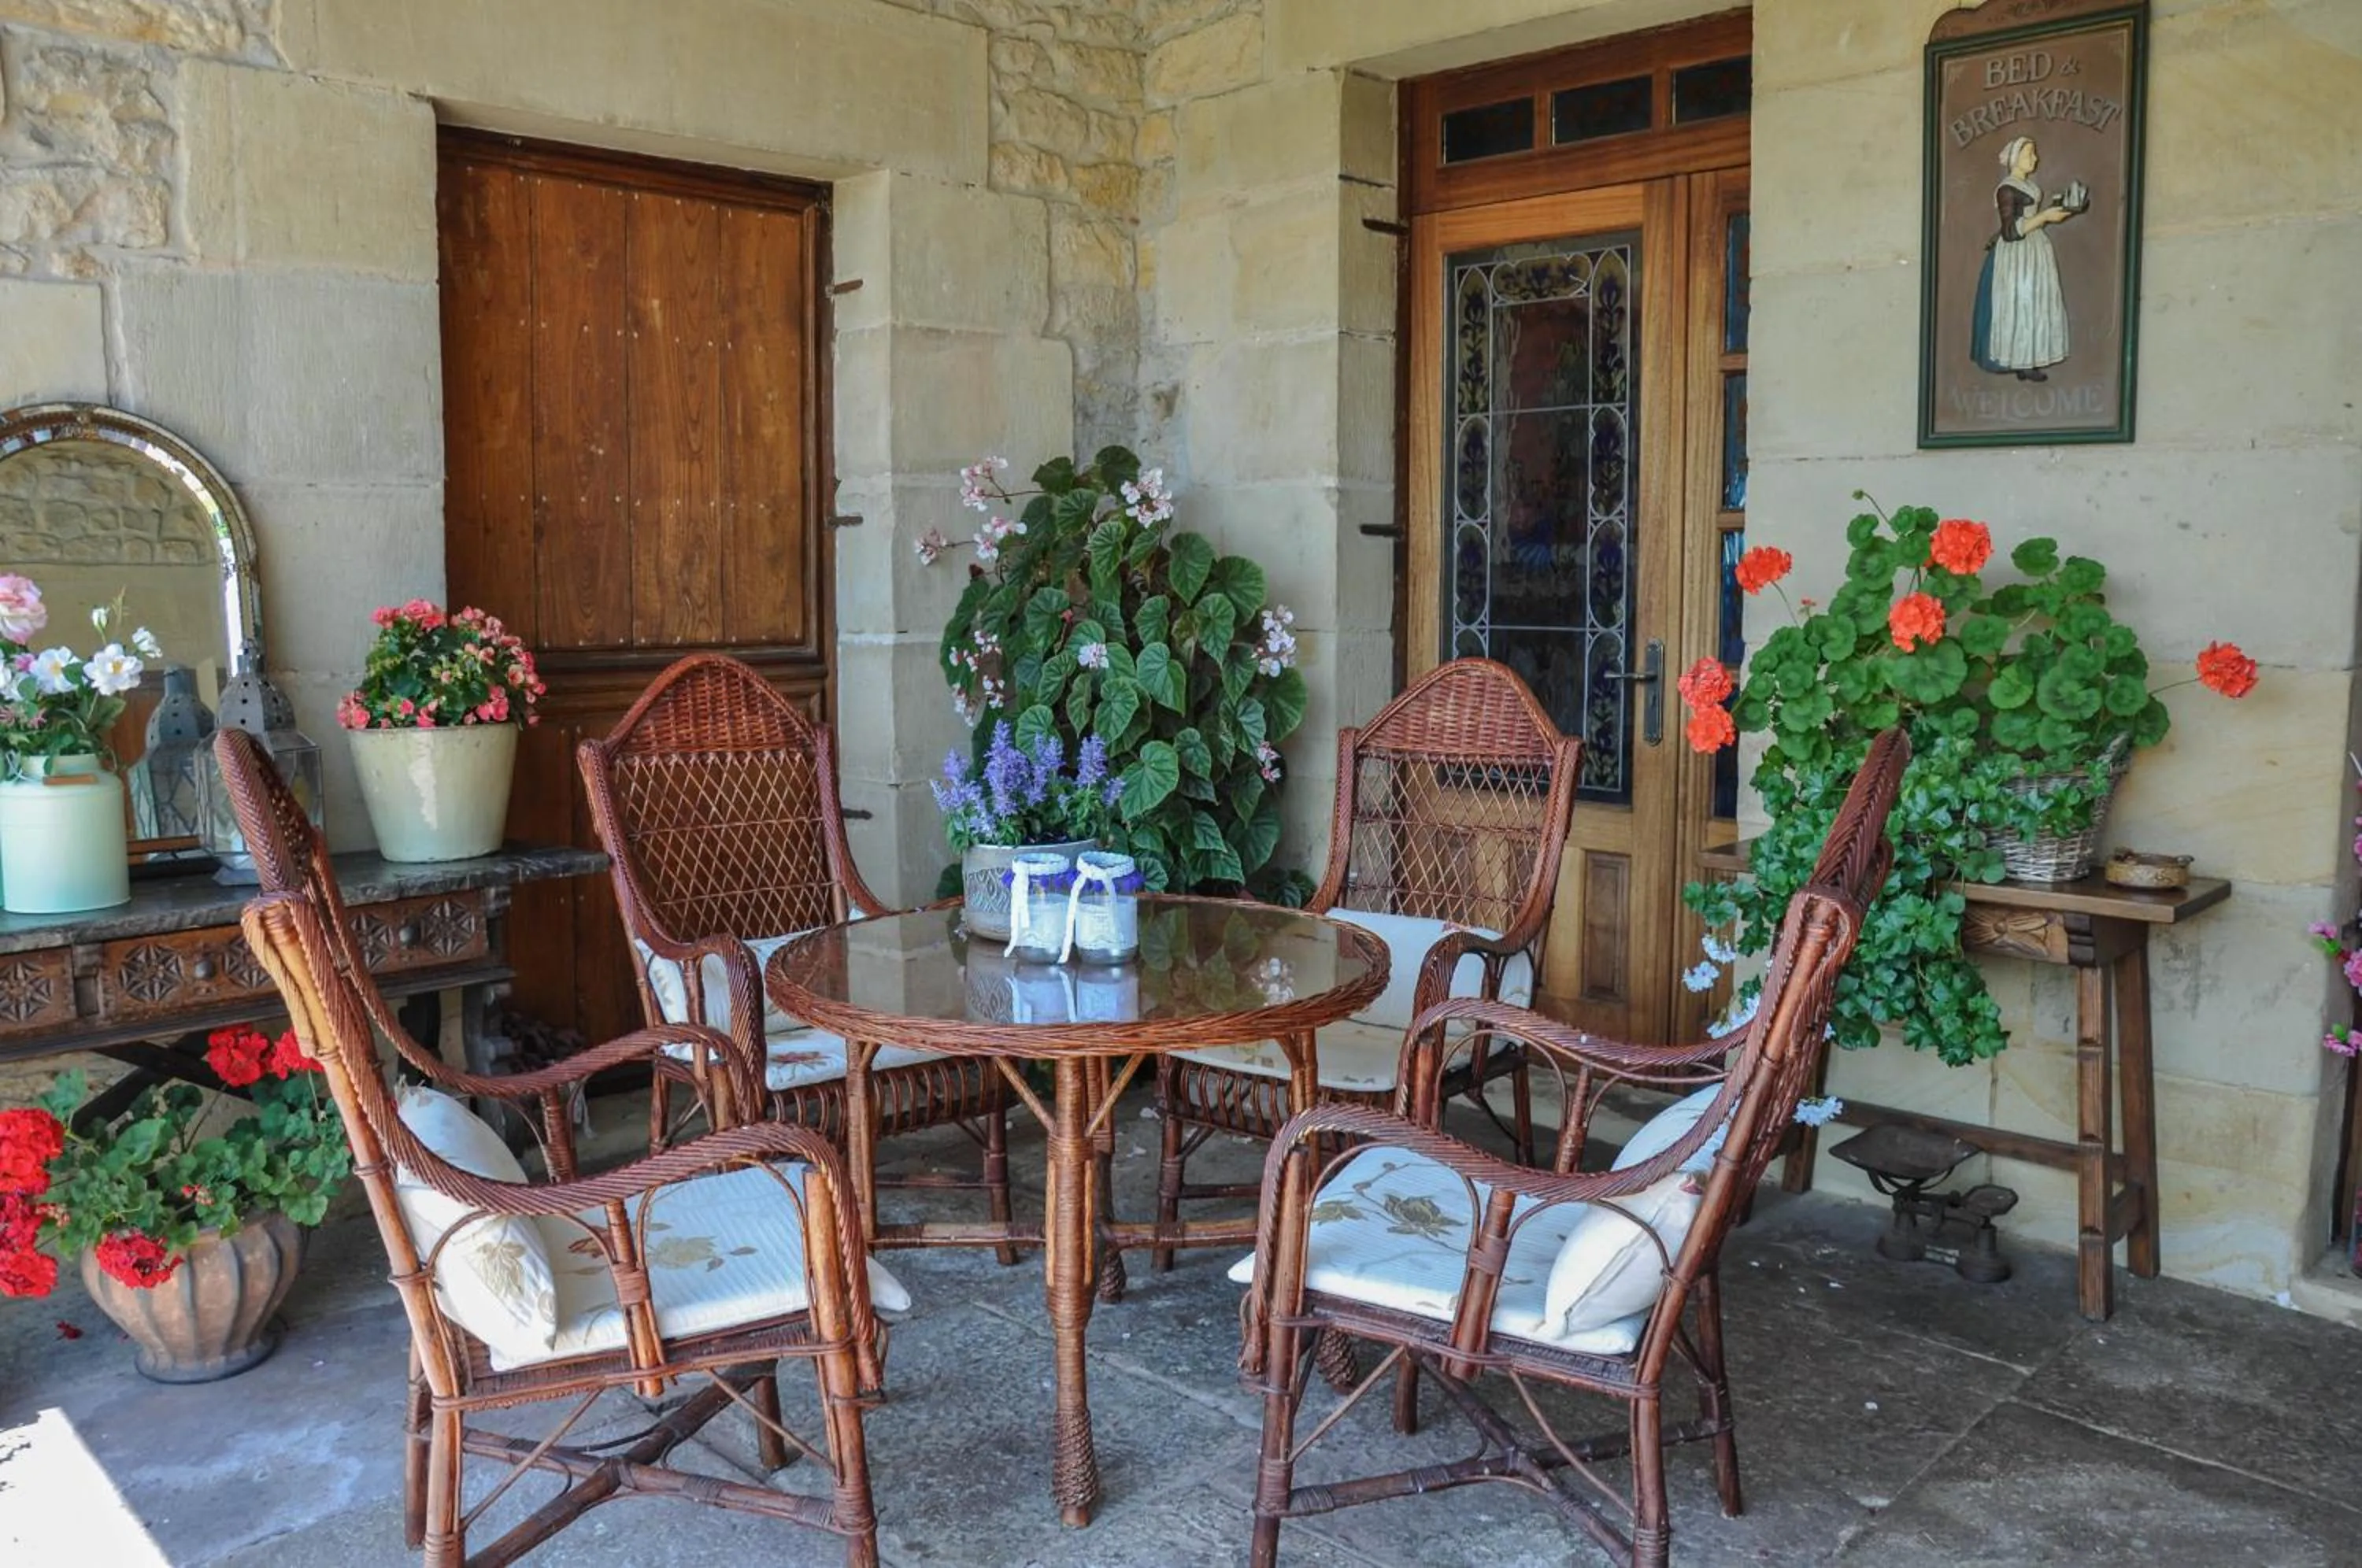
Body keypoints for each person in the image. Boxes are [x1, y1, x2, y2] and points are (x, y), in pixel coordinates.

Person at [1970, 135, 2082, 382]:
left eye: (2034, 154)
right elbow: (2011, 232)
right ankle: (2014, 358)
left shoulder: (2027, 186)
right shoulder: (2006, 189)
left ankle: (2028, 360)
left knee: (2033, 304)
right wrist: (2045, 217)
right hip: (2016, 255)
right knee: (2018, 304)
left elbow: (2025, 219)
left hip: (2034, 248)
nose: (2035, 159)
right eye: (2029, 154)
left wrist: (2056, 211)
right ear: (2015, 159)